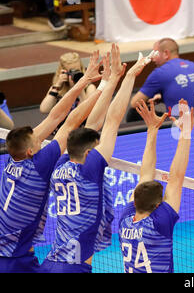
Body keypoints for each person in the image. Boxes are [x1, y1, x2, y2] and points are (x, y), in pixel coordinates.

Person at [40, 45, 154, 273]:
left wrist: (110, 82)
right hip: (73, 268)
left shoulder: (60, 165)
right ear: (90, 153)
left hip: (51, 262)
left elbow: (82, 124)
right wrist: (129, 77)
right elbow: (111, 120)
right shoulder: (89, 169)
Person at [0, 51, 103, 273]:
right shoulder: (38, 165)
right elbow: (69, 122)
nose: (41, 141)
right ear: (30, 151)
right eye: (38, 142)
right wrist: (106, 85)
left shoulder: (12, 157)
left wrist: (83, 81)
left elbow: (53, 117)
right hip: (14, 259)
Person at [119, 98, 193, 273]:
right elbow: (176, 178)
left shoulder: (125, 220)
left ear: (134, 202)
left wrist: (152, 130)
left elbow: (145, 174)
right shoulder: (160, 223)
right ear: (158, 206)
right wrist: (185, 132)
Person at [128, 38, 194, 121]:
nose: (152, 58)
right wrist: (164, 96)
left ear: (166, 54)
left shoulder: (160, 72)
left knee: (133, 113)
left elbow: (134, 103)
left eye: (155, 53)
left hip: (181, 124)